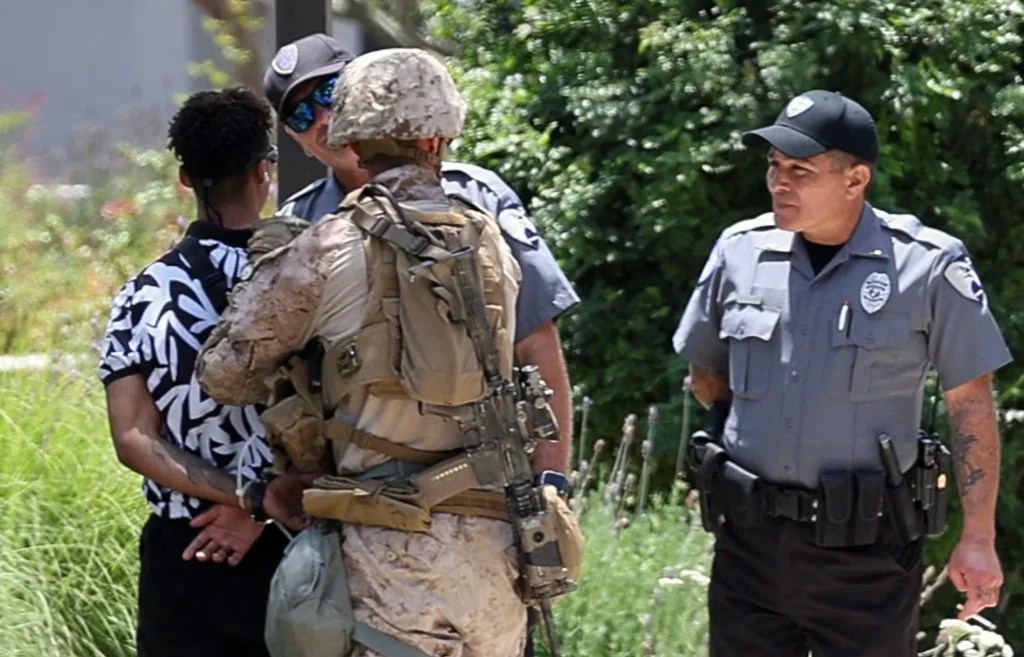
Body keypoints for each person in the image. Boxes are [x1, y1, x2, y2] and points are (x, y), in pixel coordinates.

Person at [199, 48, 574, 657]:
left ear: (351, 132)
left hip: (387, 568)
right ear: (437, 135)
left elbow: (224, 374)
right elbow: (535, 355)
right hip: (494, 568)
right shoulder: (492, 241)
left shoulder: (322, 246)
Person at [673, 90, 1010, 657]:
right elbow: (707, 373)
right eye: (774, 167)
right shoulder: (740, 251)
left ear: (856, 180)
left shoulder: (927, 265)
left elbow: (971, 406)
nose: (780, 182)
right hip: (749, 545)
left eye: (801, 170)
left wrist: (978, 537)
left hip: (865, 553)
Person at [263, 34, 578, 482]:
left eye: (330, 92)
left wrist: (552, 480)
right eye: (299, 113)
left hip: (486, 479)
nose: (322, 118)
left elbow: (535, 341)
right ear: (295, 138)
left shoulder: (474, 198)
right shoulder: (297, 226)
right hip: (359, 494)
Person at [99, 88, 304, 657]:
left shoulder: (142, 295)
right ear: (265, 170)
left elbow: (133, 437)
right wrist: (264, 509)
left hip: (184, 556)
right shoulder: (313, 275)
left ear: (186, 179)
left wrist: (250, 498)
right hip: (296, 547)